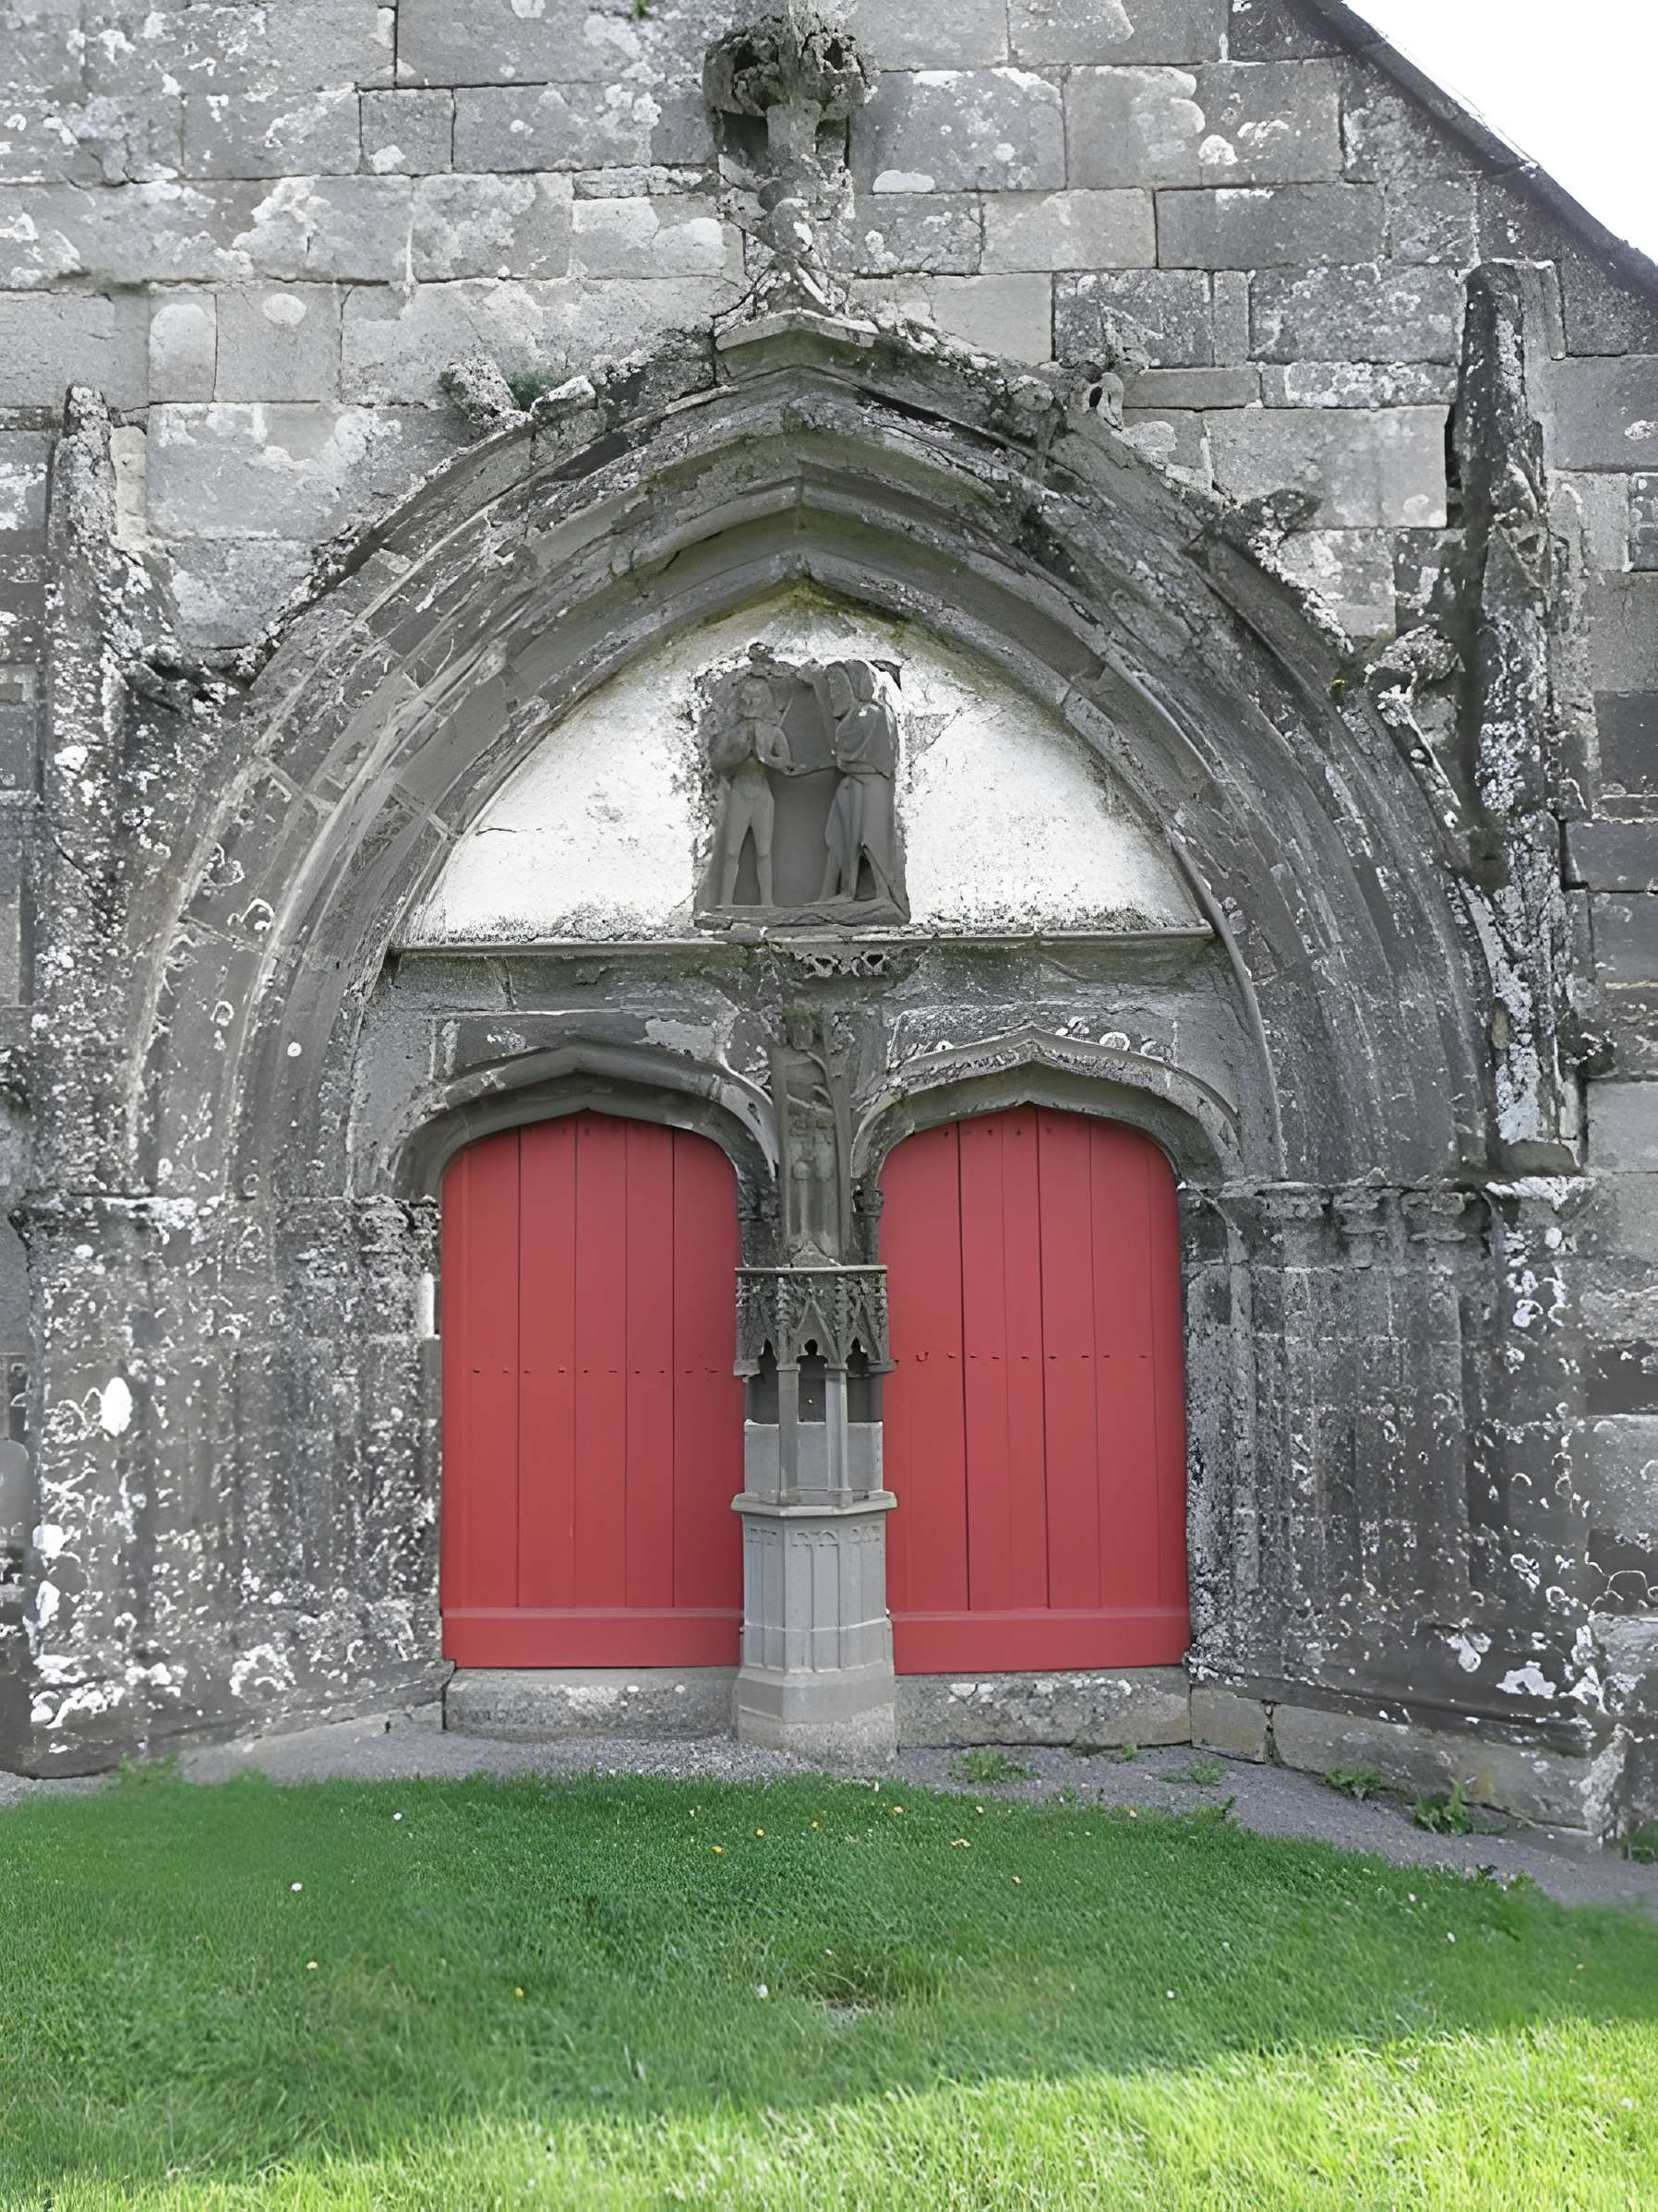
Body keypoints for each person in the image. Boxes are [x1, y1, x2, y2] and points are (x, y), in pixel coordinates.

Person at [711, 656, 793, 907]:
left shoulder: (774, 732)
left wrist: (765, 758)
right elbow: (718, 763)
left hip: (762, 793)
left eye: (757, 697)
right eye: (747, 697)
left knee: (764, 852)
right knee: (731, 851)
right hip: (740, 790)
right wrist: (740, 755)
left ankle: (766, 903)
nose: (751, 702)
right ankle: (725, 901)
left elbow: (787, 764)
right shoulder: (733, 733)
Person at [819, 658, 899, 906]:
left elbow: (851, 757)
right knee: (842, 839)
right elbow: (840, 756)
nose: (835, 697)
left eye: (838, 690)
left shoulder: (872, 714)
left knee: (870, 838)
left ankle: (885, 896)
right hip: (852, 786)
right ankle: (844, 892)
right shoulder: (849, 720)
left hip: (871, 786)